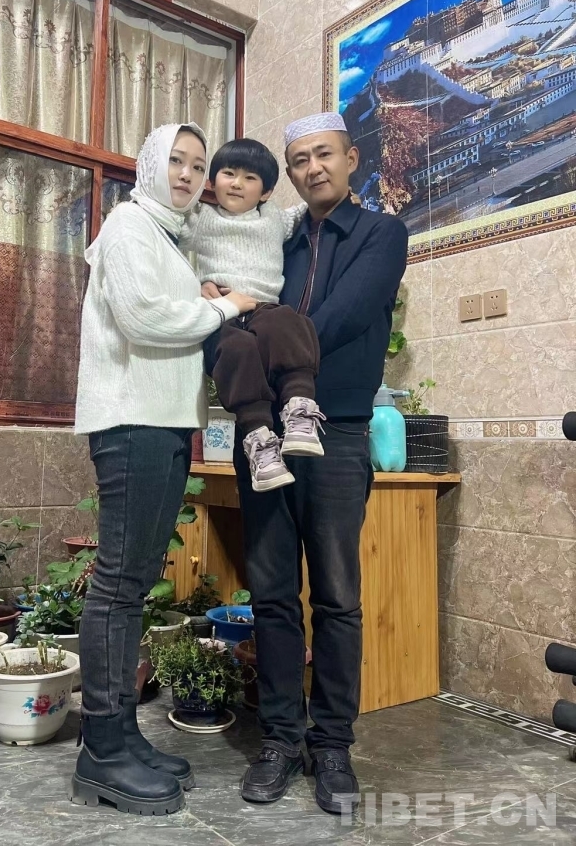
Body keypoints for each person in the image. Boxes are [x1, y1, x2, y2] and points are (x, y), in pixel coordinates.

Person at [71, 122, 257, 816]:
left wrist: (201, 296)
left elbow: (168, 311)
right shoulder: (127, 225)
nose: (187, 174)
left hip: (162, 422)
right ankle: (101, 749)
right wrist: (224, 306)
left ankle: (121, 734)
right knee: (119, 582)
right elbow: (144, 319)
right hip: (133, 422)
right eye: (175, 160)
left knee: (133, 583)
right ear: (149, 164)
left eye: (196, 165)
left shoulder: (165, 236)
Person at [233, 112, 408, 814]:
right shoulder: (275, 241)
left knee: (337, 597)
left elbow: (345, 316)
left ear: (351, 158)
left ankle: (332, 743)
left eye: (324, 155)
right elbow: (233, 302)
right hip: (264, 436)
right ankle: (279, 739)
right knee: (272, 594)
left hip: (338, 434)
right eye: (300, 160)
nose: (313, 169)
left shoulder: (381, 235)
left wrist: (264, 334)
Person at [179, 138, 325, 494]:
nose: (237, 183)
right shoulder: (201, 220)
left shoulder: (273, 217)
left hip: (263, 309)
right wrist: (195, 287)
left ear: (266, 191)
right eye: (228, 173)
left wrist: (340, 200)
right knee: (236, 350)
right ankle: (259, 440)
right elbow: (168, 243)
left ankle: (300, 409)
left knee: (290, 322)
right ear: (212, 180)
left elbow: (300, 213)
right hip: (222, 313)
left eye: (249, 178)